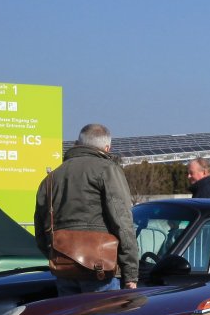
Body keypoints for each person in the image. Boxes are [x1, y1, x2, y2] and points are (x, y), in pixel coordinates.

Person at [34, 124, 139, 294]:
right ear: (107, 148)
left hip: (64, 268)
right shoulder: (108, 170)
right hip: (100, 270)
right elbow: (123, 222)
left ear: (78, 143)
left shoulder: (51, 177)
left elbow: (40, 229)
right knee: (104, 312)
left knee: (70, 312)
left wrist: (58, 256)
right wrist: (131, 273)